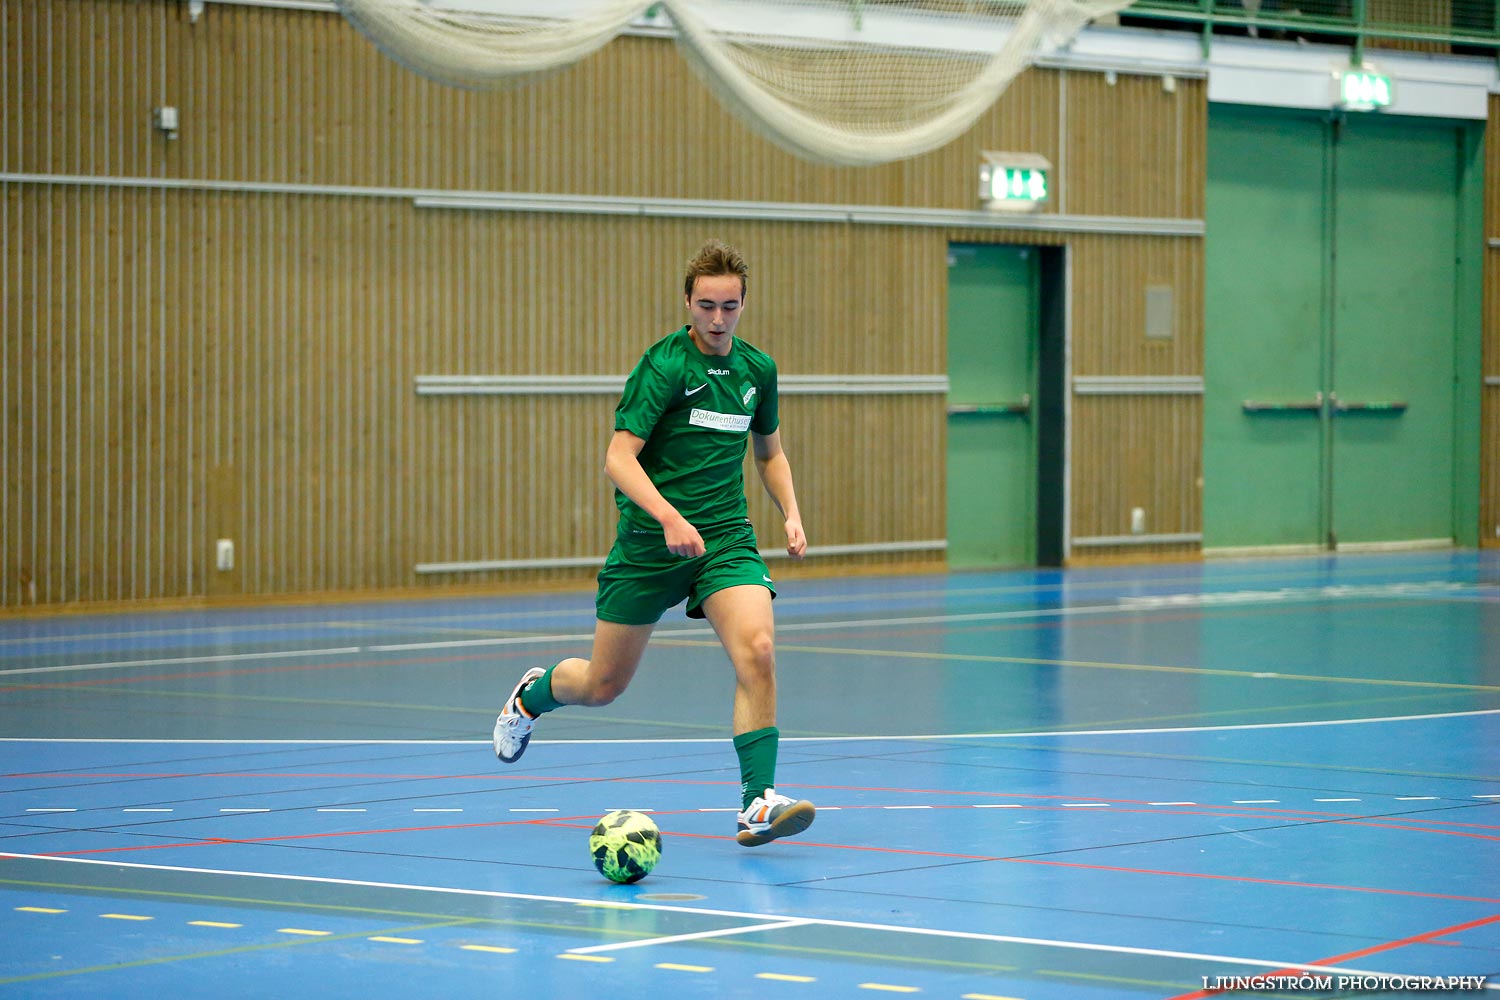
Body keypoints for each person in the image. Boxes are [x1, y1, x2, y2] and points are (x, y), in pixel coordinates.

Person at [492, 239, 815, 848]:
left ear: (744, 304)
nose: (718, 319)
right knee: (603, 686)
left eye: (730, 306)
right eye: (706, 306)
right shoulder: (663, 367)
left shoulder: (757, 371)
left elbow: (769, 453)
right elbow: (619, 459)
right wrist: (668, 516)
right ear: (687, 303)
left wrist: (791, 513)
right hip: (650, 544)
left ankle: (756, 804)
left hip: (724, 539)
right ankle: (534, 695)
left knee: (760, 650)